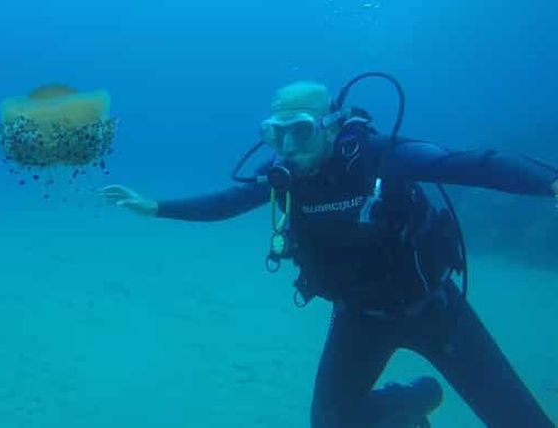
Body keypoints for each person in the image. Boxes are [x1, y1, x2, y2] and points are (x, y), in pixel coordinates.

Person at [103, 78, 558, 428]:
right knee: (332, 421)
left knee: (517, 419)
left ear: (331, 124)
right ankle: (419, 398)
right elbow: (226, 203)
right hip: (359, 317)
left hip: (435, 311)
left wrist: (548, 182)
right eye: (273, 134)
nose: (285, 148)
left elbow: (471, 164)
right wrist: (156, 207)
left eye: (298, 132)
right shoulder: (283, 175)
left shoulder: (380, 156)